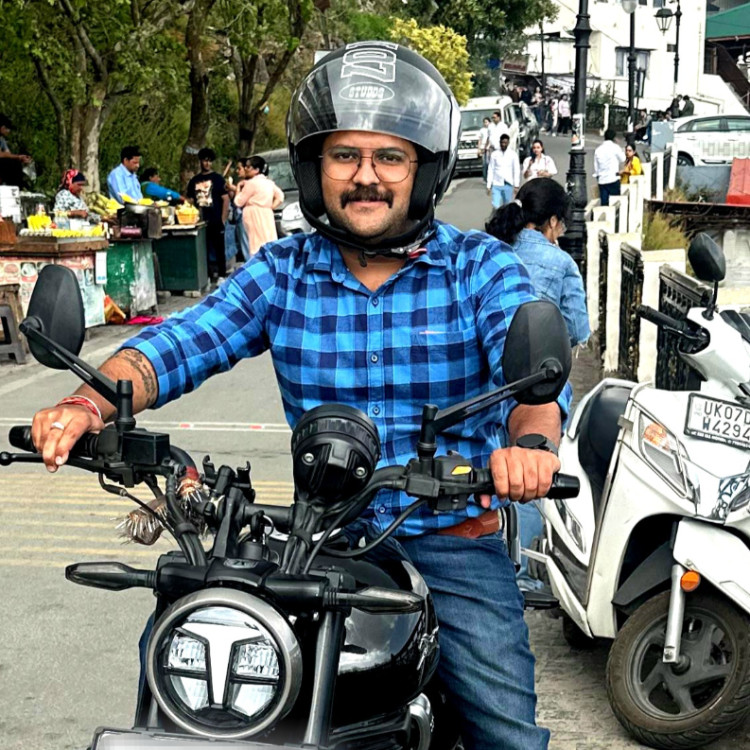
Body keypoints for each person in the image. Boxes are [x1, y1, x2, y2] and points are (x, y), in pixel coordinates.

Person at [30, 42, 571, 750]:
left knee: (508, 735)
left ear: (424, 168)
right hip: (315, 543)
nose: (366, 176)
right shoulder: (282, 272)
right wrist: (88, 403)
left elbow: (533, 378)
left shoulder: (478, 269)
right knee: (185, 677)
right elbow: (181, 341)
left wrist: (531, 448)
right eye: (345, 156)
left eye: (390, 157)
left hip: (450, 544)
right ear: (317, 169)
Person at [485, 177, 589, 592]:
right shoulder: (561, 263)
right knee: (530, 472)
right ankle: (522, 571)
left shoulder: (490, 250)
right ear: (553, 222)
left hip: (485, 382)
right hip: (535, 383)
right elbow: (577, 329)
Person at [186, 147, 229, 280]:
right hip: (200, 220)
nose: (207, 163)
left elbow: (225, 199)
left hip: (216, 218)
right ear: (200, 161)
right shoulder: (194, 180)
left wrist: (223, 219)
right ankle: (207, 275)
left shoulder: (218, 179)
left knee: (219, 247)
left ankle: (222, 274)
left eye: (210, 161)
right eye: (205, 160)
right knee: (202, 249)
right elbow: (190, 200)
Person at [233, 155, 284, 257]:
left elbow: (238, 201)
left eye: (248, 167)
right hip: (267, 214)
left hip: (253, 214)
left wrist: (238, 188)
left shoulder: (251, 184)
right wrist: (270, 207)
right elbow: (280, 196)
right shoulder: (268, 182)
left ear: (256, 170)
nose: (246, 169)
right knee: (268, 240)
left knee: (255, 243)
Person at [487, 133, 520, 208]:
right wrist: (489, 185)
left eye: (505, 143)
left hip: (508, 184)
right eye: (502, 142)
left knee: (507, 206)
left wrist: (516, 185)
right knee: (496, 205)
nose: (503, 144)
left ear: (508, 143)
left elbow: (516, 170)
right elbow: (491, 169)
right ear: (500, 142)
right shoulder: (494, 154)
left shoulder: (513, 155)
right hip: (496, 183)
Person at [593, 129, 625, 206]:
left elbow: (596, 167)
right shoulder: (615, 147)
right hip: (613, 178)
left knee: (604, 204)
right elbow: (623, 158)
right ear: (614, 138)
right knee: (615, 203)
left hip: (602, 180)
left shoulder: (598, 150)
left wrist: (598, 176)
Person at [0, 114, 32, 187]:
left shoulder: (2, 140)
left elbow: (8, 154)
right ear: (3, 128)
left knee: (13, 164)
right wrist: (17, 157)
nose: (9, 131)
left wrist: (21, 159)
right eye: (7, 129)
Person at [477, 116, 492, 181]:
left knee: (489, 163)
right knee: (484, 163)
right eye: (484, 122)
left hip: (490, 147)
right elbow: (480, 139)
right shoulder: (482, 130)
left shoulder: (491, 129)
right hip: (483, 147)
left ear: (489, 122)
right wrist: (479, 148)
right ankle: (485, 177)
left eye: (486, 122)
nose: (485, 123)